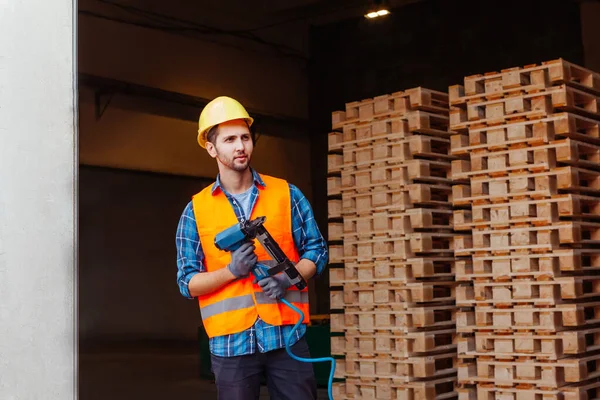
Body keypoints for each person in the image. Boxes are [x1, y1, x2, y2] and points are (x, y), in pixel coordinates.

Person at [175, 96, 328, 400]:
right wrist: (231, 271)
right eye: (230, 139)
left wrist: (288, 277)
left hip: (287, 335)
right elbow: (187, 282)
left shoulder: (287, 194)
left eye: (245, 137)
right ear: (211, 147)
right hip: (231, 344)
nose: (240, 146)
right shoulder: (196, 210)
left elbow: (317, 251)